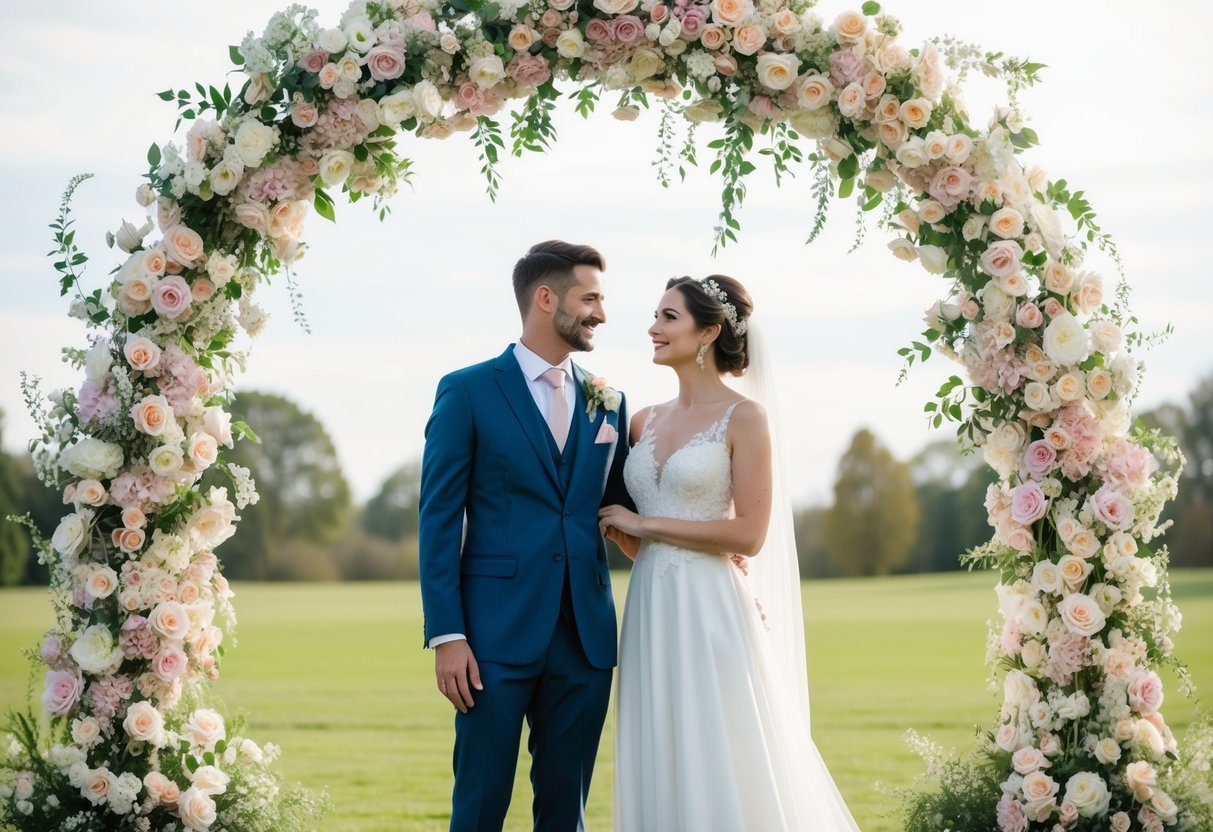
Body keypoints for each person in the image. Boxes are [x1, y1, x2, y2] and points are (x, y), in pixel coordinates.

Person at [599, 275, 860, 831]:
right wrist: (622, 531)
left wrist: (643, 522)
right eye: (656, 315)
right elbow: (639, 536)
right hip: (649, 605)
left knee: (715, 744)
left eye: (669, 317)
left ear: (709, 331)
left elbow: (748, 535)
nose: (653, 328)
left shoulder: (744, 418)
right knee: (661, 739)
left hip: (711, 608)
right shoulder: (641, 420)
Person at [418, 240, 632, 831]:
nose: (602, 315)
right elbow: (438, 519)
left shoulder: (609, 401)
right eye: (590, 299)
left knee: (567, 811)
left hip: (585, 638)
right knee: (481, 806)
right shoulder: (467, 391)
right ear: (546, 298)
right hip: (490, 640)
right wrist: (447, 634)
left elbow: (624, 510)